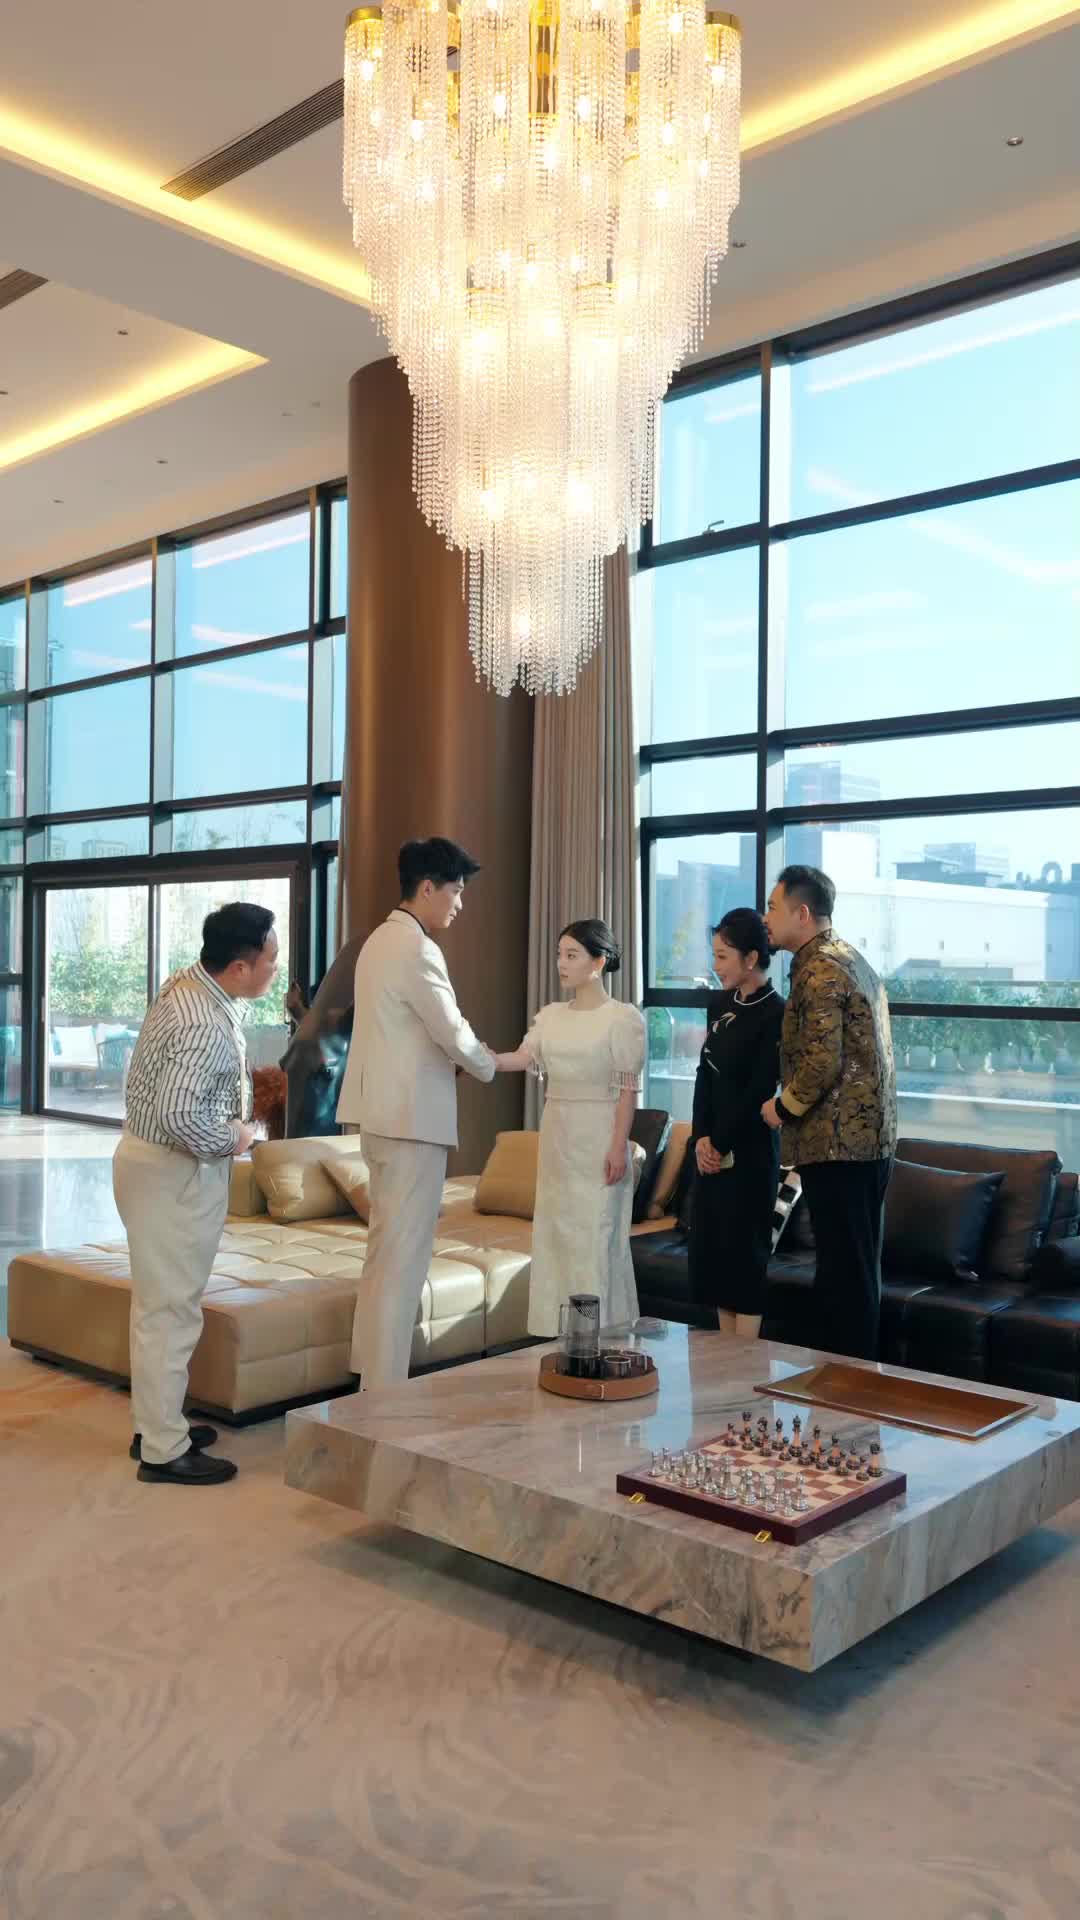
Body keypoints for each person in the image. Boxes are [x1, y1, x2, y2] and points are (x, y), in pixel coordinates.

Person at [113, 902, 279, 1485]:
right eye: (271, 959)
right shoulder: (203, 1022)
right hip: (174, 1175)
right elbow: (181, 1116)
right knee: (171, 1313)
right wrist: (237, 1137)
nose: (276, 969)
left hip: (150, 1165)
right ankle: (163, 1450)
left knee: (158, 1307)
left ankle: (155, 1425)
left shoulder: (189, 985)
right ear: (239, 966)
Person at [337, 837, 496, 1386]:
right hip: (410, 1123)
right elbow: (450, 1028)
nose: (459, 904)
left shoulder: (377, 942)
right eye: (455, 891)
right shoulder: (418, 949)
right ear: (427, 888)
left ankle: (370, 1379)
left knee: (384, 1253)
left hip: (380, 1118)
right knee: (403, 1259)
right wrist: (486, 1064)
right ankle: (384, 1391)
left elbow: (403, 1033)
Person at [762, 865, 896, 1362]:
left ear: (802, 913)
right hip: (864, 1143)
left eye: (772, 907)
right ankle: (850, 1381)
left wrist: (781, 1107)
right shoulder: (848, 957)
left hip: (840, 1144)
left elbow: (822, 1060)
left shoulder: (820, 968)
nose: (766, 917)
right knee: (854, 1270)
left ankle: (847, 1386)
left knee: (844, 1275)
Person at [495, 919, 645, 1337]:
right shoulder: (551, 1017)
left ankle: (602, 1337)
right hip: (559, 1138)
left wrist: (618, 1147)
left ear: (598, 962)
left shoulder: (622, 1019)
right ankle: (567, 1337)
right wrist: (478, 1058)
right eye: (560, 954)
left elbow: (627, 1092)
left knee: (596, 1239)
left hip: (599, 1138)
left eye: (572, 955)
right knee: (558, 1236)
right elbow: (520, 1058)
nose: (561, 963)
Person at [689, 908, 784, 1338]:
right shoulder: (719, 1004)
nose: (716, 965)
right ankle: (726, 1363)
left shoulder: (776, 1013)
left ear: (750, 959)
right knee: (716, 1264)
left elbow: (760, 1088)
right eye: (714, 955)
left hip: (749, 1154)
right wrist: (700, 1138)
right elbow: (704, 1074)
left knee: (745, 1263)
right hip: (711, 1151)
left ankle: (745, 1366)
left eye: (723, 956)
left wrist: (720, 1142)